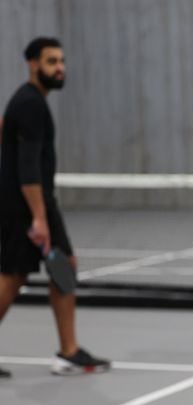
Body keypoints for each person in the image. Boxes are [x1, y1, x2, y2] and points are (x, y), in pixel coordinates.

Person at [0, 37, 110, 377]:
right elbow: (29, 165)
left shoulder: (27, 101)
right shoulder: (31, 104)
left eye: (61, 61)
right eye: (51, 62)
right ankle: (68, 351)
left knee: (60, 265)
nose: (59, 68)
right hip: (27, 204)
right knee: (14, 275)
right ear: (33, 64)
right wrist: (38, 217)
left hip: (30, 202)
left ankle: (69, 350)